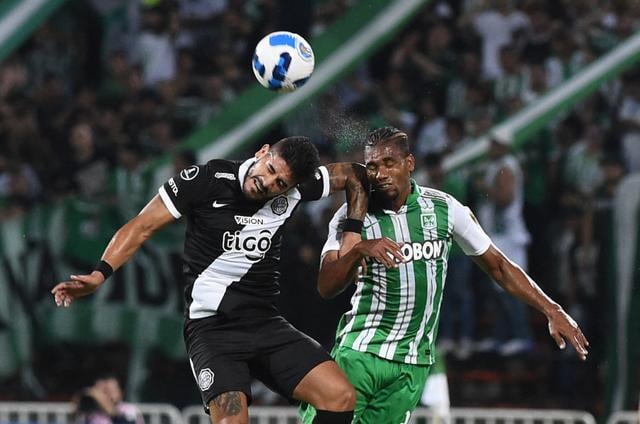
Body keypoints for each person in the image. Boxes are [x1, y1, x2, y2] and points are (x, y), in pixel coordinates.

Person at [52, 136, 370, 424]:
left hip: (264, 323)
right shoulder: (205, 180)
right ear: (262, 152)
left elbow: (356, 174)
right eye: (270, 168)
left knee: (340, 396)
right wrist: (99, 273)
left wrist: (352, 232)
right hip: (212, 330)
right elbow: (141, 226)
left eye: (279, 182)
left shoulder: (298, 187)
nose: (268, 182)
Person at [301, 127, 589, 423]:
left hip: (411, 367)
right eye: (373, 166)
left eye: (390, 163)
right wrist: (359, 248)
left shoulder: (445, 209)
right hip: (360, 354)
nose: (380, 173)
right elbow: (326, 286)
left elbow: (499, 266)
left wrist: (551, 309)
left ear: (409, 163)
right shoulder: (352, 217)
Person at [72, 374, 143, 424]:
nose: (103, 396)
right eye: (101, 391)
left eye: (108, 391)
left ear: (120, 392)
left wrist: (108, 409)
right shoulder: (93, 413)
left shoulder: (129, 410)